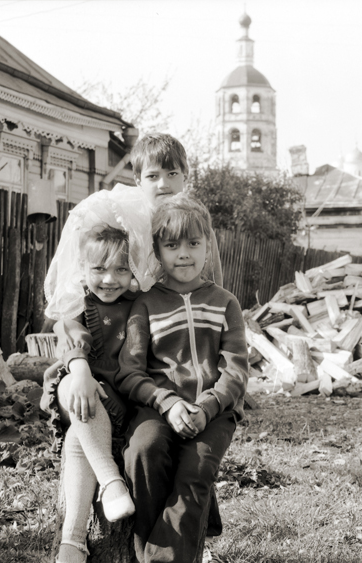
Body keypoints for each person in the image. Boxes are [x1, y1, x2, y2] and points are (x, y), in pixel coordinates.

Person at [111, 194, 249, 563]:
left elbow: (236, 371)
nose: (184, 254)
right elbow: (130, 371)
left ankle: (159, 560)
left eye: (193, 244)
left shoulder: (224, 302)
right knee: (144, 452)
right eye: (172, 245)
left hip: (214, 413)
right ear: (157, 251)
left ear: (208, 247)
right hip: (158, 408)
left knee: (195, 471)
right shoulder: (146, 304)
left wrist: (206, 407)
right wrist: (167, 403)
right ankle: (165, 549)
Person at [40, 188, 157, 563]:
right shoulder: (78, 302)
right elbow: (72, 336)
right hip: (78, 381)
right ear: (83, 270)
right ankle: (110, 481)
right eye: (99, 269)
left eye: (121, 269)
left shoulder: (138, 305)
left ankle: (72, 541)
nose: (110, 279)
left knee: (81, 428)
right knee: (81, 395)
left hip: (116, 394)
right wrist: (79, 370)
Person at [128, 132, 224, 288]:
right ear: (139, 181)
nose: (163, 184)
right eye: (153, 176)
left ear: (185, 177)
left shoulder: (198, 226)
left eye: (172, 174)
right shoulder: (133, 227)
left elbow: (214, 282)